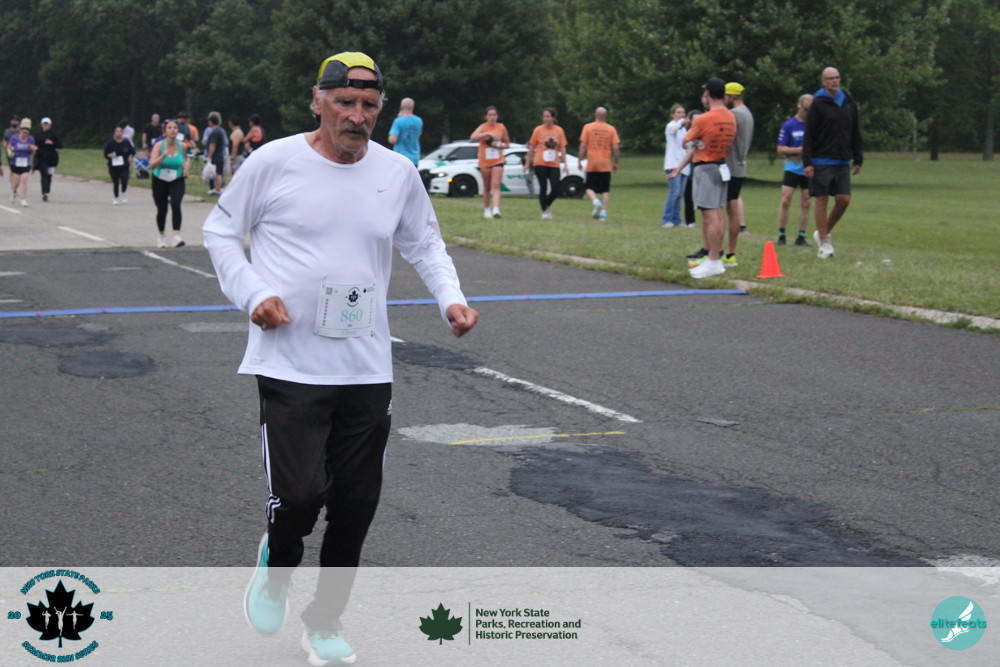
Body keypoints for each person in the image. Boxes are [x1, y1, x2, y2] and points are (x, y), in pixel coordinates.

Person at [203, 51, 478, 666]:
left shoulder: (396, 172)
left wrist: (451, 299)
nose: (357, 116)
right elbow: (219, 232)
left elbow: (425, 243)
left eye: (369, 106)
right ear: (318, 100)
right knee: (300, 497)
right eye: (345, 102)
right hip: (289, 362)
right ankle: (278, 562)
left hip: (365, 367)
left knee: (355, 504)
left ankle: (324, 622)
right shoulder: (273, 162)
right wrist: (253, 293)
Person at [669, 78, 736, 278]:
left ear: (707, 94)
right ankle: (716, 257)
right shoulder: (730, 117)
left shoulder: (703, 119)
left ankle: (713, 260)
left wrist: (697, 142)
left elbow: (685, 141)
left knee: (710, 216)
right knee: (719, 214)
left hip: (705, 167)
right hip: (721, 165)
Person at [803, 66, 863, 259]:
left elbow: (855, 130)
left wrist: (858, 157)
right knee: (822, 199)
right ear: (824, 82)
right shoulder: (818, 103)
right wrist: (807, 162)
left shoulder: (848, 101)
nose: (834, 81)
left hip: (842, 159)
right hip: (821, 159)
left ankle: (823, 232)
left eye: (837, 77)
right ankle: (824, 243)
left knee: (844, 199)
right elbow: (809, 134)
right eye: (830, 78)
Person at [776, 94, 814, 246]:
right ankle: (782, 234)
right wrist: (799, 150)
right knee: (786, 200)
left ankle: (801, 236)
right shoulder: (789, 125)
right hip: (792, 167)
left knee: (806, 202)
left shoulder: (814, 126)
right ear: (799, 106)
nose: (808, 113)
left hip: (809, 167)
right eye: (806, 109)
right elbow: (780, 148)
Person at [723, 82, 754, 265]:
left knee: (726, 209)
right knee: (732, 207)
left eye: (726, 96)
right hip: (740, 166)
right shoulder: (747, 113)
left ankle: (726, 251)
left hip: (730, 166)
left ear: (732, 96)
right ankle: (730, 252)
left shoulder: (734, 114)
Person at [148, 118, 189, 248]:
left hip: (177, 179)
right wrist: (162, 156)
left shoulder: (182, 146)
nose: (173, 130)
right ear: (165, 131)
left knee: (176, 203)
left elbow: (185, 159)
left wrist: (186, 168)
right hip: (160, 180)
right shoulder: (159, 145)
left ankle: (176, 236)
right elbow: (152, 165)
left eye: (175, 128)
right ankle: (161, 237)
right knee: (162, 209)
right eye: (169, 128)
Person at [526, 107, 569, 219]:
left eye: (548, 116)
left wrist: (565, 164)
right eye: (544, 116)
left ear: (553, 117)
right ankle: (544, 211)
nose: (546, 118)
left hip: (554, 163)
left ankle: (546, 205)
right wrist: (527, 162)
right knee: (543, 187)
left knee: (556, 188)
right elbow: (532, 146)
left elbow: (562, 147)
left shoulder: (559, 130)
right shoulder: (538, 130)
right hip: (540, 162)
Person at [578, 106, 620, 220]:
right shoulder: (611, 129)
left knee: (588, 187)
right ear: (606, 116)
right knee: (605, 189)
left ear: (595, 115)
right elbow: (616, 148)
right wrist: (616, 162)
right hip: (605, 163)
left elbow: (583, 145)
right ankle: (603, 213)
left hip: (592, 162)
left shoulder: (587, 127)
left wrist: (580, 159)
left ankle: (595, 201)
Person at [470, 106, 510, 219]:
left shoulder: (501, 127)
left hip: (498, 159)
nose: (492, 117)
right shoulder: (483, 127)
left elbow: (507, 143)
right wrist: (486, 134)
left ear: (497, 116)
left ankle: (496, 209)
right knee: (487, 186)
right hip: (485, 160)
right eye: (490, 115)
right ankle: (487, 209)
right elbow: (473, 136)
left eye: (494, 115)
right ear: (486, 116)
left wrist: (499, 145)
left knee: (495, 185)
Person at [662, 103, 689, 228]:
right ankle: (667, 219)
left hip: (683, 165)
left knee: (680, 194)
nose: (681, 115)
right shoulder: (671, 125)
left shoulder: (684, 130)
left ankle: (676, 219)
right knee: (674, 192)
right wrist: (682, 123)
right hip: (673, 163)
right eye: (678, 112)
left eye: (683, 112)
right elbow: (674, 130)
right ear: (672, 114)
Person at [8, 118, 37, 207]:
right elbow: (9, 147)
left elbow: (33, 152)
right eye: (23, 132)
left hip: (26, 162)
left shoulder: (31, 139)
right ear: (20, 131)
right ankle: (14, 191)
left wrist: (34, 149)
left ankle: (23, 199)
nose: (25, 135)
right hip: (16, 162)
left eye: (27, 133)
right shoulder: (14, 138)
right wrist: (10, 153)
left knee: (24, 180)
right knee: (16, 183)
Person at [104, 125, 135, 205]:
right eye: (117, 131)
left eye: (120, 131)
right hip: (113, 166)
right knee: (116, 182)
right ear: (114, 133)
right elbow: (105, 154)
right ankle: (116, 198)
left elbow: (132, 151)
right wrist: (110, 155)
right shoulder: (110, 143)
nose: (119, 133)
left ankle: (123, 192)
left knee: (124, 180)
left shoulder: (126, 142)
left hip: (124, 166)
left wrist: (130, 156)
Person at [33, 117, 62, 202]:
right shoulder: (38, 135)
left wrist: (52, 143)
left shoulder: (54, 135)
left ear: (50, 125)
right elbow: (34, 145)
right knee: (44, 174)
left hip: (51, 158)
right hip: (41, 157)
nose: (45, 126)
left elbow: (60, 145)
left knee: (49, 175)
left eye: (47, 124)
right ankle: (44, 192)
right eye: (44, 124)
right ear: (41, 125)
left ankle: (47, 191)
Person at [387, 97, 422, 166]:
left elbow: (392, 140)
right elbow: (418, 135)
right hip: (415, 158)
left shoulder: (398, 121)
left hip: (401, 158)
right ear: (412, 107)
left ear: (401, 107)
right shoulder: (419, 121)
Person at [204, 111, 226, 195]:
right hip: (220, 155)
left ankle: (217, 189)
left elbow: (212, 145)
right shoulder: (220, 131)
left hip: (216, 156)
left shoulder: (215, 132)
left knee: (217, 173)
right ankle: (217, 188)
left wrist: (209, 156)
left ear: (211, 122)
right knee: (218, 172)